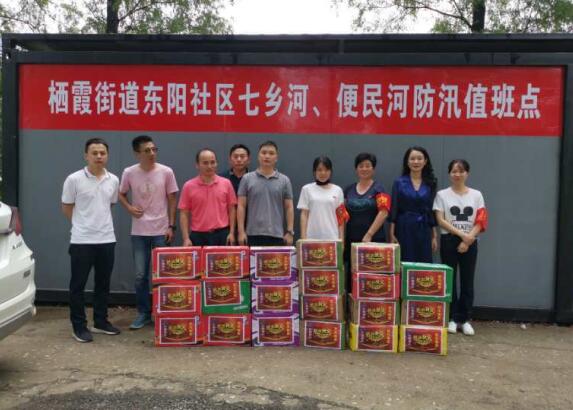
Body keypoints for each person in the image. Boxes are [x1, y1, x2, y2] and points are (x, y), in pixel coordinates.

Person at [61, 138, 120, 343]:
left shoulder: (113, 180)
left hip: (107, 239)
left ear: (107, 155)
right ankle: (79, 327)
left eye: (102, 153)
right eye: (94, 153)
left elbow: (109, 205)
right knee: (78, 285)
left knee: (103, 284)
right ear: (86, 155)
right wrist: (82, 224)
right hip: (82, 241)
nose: (99, 156)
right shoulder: (74, 179)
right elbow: (67, 207)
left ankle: (100, 322)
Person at [118, 135, 179, 330]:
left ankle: (165, 311)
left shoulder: (166, 171)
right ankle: (144, 313)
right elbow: (120, 193)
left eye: (154, 149)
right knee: (140, 275)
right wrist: (129, 207)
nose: (152, 153)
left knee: (164, 274)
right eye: (147, 151)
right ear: (137, 154)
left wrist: (171, 225)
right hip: (139, 231)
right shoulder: (129, 172)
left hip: (161, 230)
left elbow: (172, 199)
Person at [433, 159, 488, 336]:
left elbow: (481, 219)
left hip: (470, 241)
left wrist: (468, 239)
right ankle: (451, 318)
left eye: (461, 171)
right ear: (449, 174)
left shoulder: (477, 195)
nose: (457, 174)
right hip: (449, 240)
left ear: (467, 173)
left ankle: (465, 319)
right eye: (454, 171)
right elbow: (440, 220)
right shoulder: (442, 195)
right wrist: (461, 236)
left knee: (467, 281)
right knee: (449, 280)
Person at [237, 140, 294, 246]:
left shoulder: (284, 180)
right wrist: (241, 232)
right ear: (258, 156)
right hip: (252, 234)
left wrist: (290, 232)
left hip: (276, 235)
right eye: (264, 153)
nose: (267, 156)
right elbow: (241, 206)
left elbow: (289, 207)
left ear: (276, 158)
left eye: (271, 153)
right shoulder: (247, 179)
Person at [178, 148, 236, 246]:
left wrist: (232, 233)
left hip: (222, 235)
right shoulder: (188, 186)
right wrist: (186, 238)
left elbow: (232, 209)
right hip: (198, 236)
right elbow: (184, 213)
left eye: (212, 162)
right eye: (205, 163)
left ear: (216, 163)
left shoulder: (226, 183)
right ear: (197, 165)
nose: (209, 166)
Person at [389, 146, 438, 263]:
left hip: (424, 228)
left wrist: (434, 236)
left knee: (423, 263)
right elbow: (394, 208)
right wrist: (391, 233)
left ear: (425, 161)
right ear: (407, 162)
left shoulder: (431, 182)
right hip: (404, 227)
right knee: (404, 261)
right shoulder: (399, 182)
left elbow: (431, 210)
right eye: (412, 159)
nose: (416, 162)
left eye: (419, 158)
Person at [344, 152, 391, 247]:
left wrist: (369, 234)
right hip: (351, 240)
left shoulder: (379, 189)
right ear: (356, 169)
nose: (364, 169)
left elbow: (384, 213)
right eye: (361, 166)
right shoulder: (348, 190)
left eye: (368, 166)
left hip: (373, 240)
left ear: (373, 169)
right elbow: (342, 215)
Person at [297, 156, 346, 241]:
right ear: (314, 172)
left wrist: (341, 239)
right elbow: (304, 214)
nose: (323, 173)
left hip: (332, 238)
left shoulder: (338, 190)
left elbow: (341, 217)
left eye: (326, 170)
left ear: (330, 171)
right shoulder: (306, 189)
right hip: (311, 238)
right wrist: (303, 238)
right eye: (319, 170)